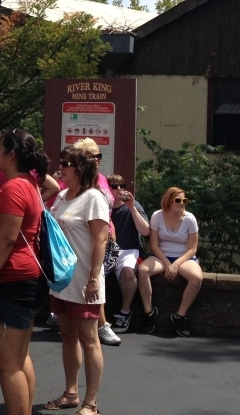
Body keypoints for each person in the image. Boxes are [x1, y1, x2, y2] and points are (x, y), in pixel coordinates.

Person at [0, 129, 47, 415]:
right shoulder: (29, 183)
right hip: (25, 279)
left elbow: (7, 238)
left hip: (13, 279)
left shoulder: (15, 187)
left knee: (7, 364)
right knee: (19, 357)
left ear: (11, 154)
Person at [45, 146, 109, 415]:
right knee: (67, 335)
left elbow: (101, 238)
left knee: (89, 338)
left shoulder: (94, 197)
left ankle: (91, 403)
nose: (61, 167)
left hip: (85, 279)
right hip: (62, 281)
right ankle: (71, 393)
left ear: (80, 168)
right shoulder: (61, 196)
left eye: (66, 163)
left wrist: (94, 277)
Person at [72, 138, 121, 347]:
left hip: (106, 236)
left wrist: (112, 230)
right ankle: (102, 325)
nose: (98, 159)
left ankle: (98, 324)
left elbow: (108, 209)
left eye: (99, 155)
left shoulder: (101, 179)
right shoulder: (76, 181)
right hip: (86, 239)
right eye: (93, 155)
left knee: (98, 281)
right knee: (94, 279)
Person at [137, 186, 203, 338]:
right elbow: (153, 245)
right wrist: (168, 264)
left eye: (184, 200)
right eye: (178, 200)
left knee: (197, 278)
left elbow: (193, 249)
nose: (182, 203)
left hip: (183, 257)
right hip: (162, 255)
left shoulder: (189, 219)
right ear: (168, 201)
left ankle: (179, 317)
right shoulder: (157, 216)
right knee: (142, 270)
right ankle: (149, 312)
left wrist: (176, 264)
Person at [105, 174, 150, 333]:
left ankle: (125, 312)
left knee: (128, 273)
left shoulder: (134, 205)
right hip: (107, 249)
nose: (119, 189)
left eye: (122, 186)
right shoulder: (102, 205)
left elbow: (145, 231)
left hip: (129, 250)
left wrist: (131, 207)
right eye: (114, 186)